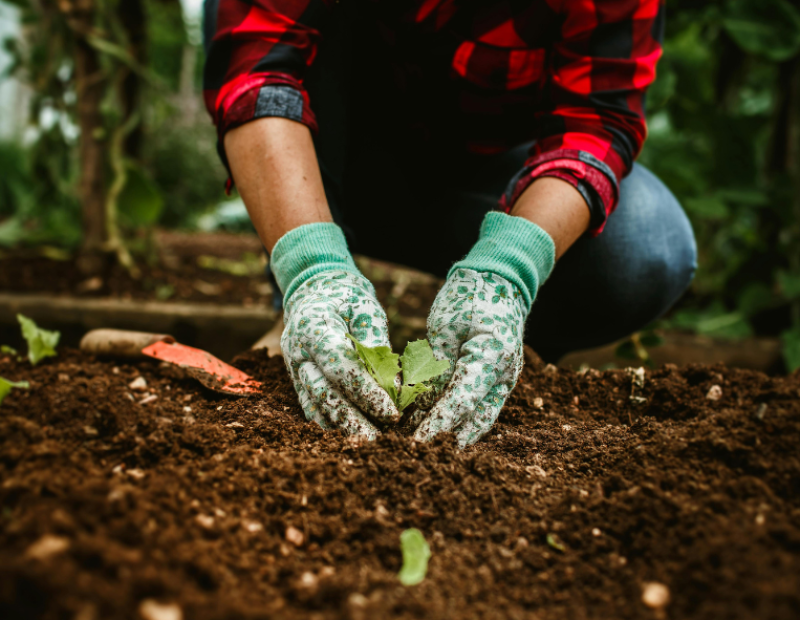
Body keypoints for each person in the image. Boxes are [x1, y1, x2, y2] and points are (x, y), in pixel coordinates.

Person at [202, 0, 696, 447]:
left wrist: (506, 270)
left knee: (645, 243)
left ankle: (495, 346)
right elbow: (257, 64)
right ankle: (305, 312)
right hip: (336, 171)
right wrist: (312, 268)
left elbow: (594, 123)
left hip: (492, 189)